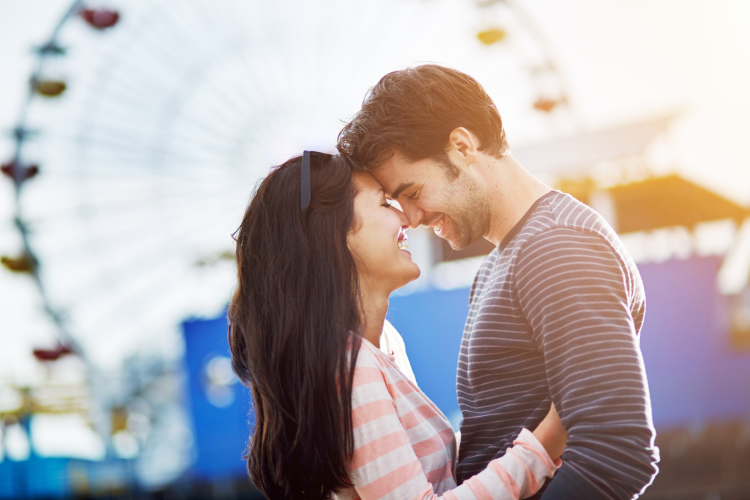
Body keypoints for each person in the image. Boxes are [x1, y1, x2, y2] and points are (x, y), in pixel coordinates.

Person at [337, 65, 660, 499]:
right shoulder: (503, 262)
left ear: (462, 146)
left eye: (412, 193)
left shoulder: (558, 248)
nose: (410, 220)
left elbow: (618, 451)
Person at [228, 151, 567, 500]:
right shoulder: (348, 367)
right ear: (334, 233)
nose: (406, 215)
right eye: (384, 204)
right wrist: (548, 438)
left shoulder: (383, 345)